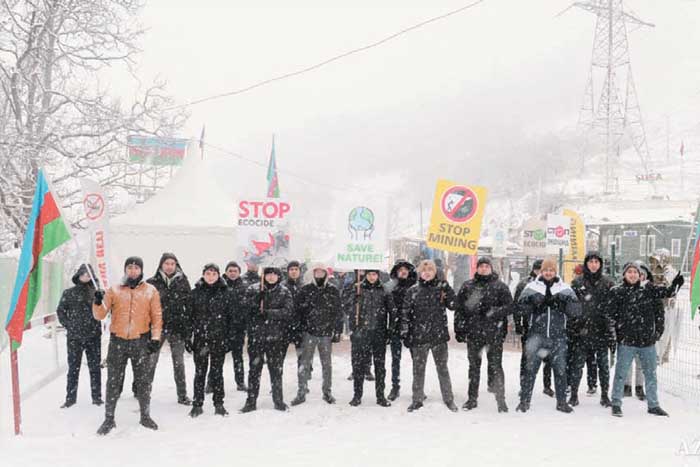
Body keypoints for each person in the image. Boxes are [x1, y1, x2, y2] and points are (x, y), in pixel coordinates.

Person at [93, 256, 162, 435]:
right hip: (118, 341)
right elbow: (100, 315)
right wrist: (97, 301)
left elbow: (157, 316)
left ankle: (145, 416)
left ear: (141, 270)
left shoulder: (150, 291)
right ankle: (109, 418)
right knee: (113, 381)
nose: (133, 271)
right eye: (130, 267)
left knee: (143, 381)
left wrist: (155, 338)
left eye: (136, 268)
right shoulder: (114, 290)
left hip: (141, 341)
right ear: (125, 270)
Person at [607, 262, 683, 417]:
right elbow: (610, 315)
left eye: (636, 272)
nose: (633, 274)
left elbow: (667, 292)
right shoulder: (617, 292)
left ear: (640, 275)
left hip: (647, 342)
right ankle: (616, 402)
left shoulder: (648, 290)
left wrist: (676, 284)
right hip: (626, 342)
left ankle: (653, 405)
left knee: (650, 374)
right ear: (624, 275)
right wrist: (616, 334)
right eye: (630, 272)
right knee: (621, 374)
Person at [516, 258, 580, 414]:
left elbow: (576, 312)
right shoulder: (531, 287)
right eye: (546, 270)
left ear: (555, 271)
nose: (548, 273)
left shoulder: (565, 288)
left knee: (560, 370)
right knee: (530, 369)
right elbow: (519, 309)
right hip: (537, 335)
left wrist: (564, 303)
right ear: (541, 271)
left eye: (551, 270)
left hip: (558, 336)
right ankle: (524, 401)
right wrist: (532, 303)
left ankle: (561, 402)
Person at [455, 257, 513, 412]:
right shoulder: (468, 286)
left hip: (494, 333)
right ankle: (472, 399)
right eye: (481, 266)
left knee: (496, 367)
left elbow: (509, 306)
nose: (484, 269)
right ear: (477, 268)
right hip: (474, 333)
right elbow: (459, 309)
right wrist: (459, 328)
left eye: (487, 266)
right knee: (474, 367)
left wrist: (494, 312)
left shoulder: (500, 286)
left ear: (491, 268)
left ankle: (501, 400)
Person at [401, 260, 458, 412]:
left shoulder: (441, 289)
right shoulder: (413, 290)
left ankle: (449, 398)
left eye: (430, 270)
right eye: (424, 270)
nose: (427, 272)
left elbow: (454, 305)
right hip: (419, 337)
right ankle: (417, 399)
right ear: (420, 272)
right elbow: (405, 313)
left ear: (435, 272)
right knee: (418, 370)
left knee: (443, 369)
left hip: (438, 336)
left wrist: (448, 290)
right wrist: (405, 332)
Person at [240, 266, 294, 413]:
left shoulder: (284, 291)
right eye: (268, 274)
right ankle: (251, 401)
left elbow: (288, 311)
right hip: (256, 336)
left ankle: (278, 400)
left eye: (274, 274)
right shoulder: (253, 289)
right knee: (254, 370)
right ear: (263, 276)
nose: (270, 277)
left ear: (278, 276)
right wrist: (257, 300)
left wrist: (269, 313)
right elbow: (244, 308)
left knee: (276, 370)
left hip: (275, 337)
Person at [291, 263, 344, 405]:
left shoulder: (332, 290)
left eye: (322, 272)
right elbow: (297, 311)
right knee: (304, 364)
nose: (319, 274)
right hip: (309, 332)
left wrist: (338, 330)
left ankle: (327, 392)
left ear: (326, 274)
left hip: (326, 333)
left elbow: (338, 312)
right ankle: (301, 392)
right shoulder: (306, 290)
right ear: (313, 273)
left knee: (327, 365)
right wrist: (298, 329)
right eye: (317, 272)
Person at [187, 263, 234, 417]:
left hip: (219, 339)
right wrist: (188, 337)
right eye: (208, 273)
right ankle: (197, 404)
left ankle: (219, 403)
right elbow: (188, 318)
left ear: (218, 275)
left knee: (217, 372)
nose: (211, 276)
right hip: (201, 339)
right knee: (199, 372)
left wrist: (229, 339)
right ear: (203, 275)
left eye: (214, 274)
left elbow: (231, 319)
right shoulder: (195, 293)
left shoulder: (226, 293)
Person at [146, 252, 192, 406]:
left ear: (176, 265)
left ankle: (182, 395)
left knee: (179, 363)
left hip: (177, 328)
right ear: (161, 265)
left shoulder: (183, 282)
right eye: (167, 263)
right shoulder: (151, 283)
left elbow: (189, 307)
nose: (169, 266)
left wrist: (187, 331)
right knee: (151, 362)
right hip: (157, 328)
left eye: (172, 264)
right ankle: (143, 392)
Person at [569, 252, 615, 408]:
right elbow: (572, 307)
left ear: (600, 264)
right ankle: (574, 394)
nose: (594, 264)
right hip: (582, 331)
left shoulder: (608, 283)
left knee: (603, 365)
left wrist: (610, 330)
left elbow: (611, 309)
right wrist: (574, 327)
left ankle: (604, 395)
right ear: (586, 264)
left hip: (601, 331)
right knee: (577, 365)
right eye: (591, 261)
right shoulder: (577, 283)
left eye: (596, 261)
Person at [345, 269, 394, 407]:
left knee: (380, 366)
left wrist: (389, 330)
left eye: (374, 274)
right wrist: (354, 329)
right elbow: (348, 307)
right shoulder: (358, 288)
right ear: (365, 275)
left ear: (378, 275)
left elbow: (392, 311)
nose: (372, 277)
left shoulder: (384, 290)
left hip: (379, 333)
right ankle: (357, 395)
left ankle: (380, 396)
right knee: (358, 365)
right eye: (369, 274)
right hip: (361, 333)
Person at [56, 264, 103, 408]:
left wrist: (100, 300)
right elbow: (61, 311)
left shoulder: (97, 293)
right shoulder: (68, 293)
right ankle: (70, 398)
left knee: (95, 368)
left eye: (88, 274)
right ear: (78, 275)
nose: (85, 277)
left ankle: (97, 397)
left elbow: (103, 311)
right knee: (73, 368)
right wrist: (69, 325)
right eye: (83, 274)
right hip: (74, 337)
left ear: (92, 277)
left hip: (93, 335)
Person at [514, 260, 554, 397]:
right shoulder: (526, 284)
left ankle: (547, 385)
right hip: (529, 327)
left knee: (547, 358)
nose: (539, 272)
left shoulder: (552, 284)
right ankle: (524, 385)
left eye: (541, 269)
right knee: (526, 358)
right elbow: (517, 305)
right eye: (537, 270)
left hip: (547, 328)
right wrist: (518, 324)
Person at [384, 259, 417, 401]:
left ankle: (418, 387)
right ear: (396, 272)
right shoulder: (390, 288)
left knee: (417, 360)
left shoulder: (416, 286)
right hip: (395, 327)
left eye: (405, 269)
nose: (403, 271)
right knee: (395, 360)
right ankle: (395, 387)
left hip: (413, 328)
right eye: (400, 269)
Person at [223, 261, 249, 392]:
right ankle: (211, 382)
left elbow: (247, 307)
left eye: (235, 271)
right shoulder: (220, 285)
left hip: (238, 328)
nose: (232, 273)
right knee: (218, 357)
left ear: (239, 273)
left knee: (238, 357)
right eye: (230, 271)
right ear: (226, 272)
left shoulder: (244, 287)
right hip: (222, 328)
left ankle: (240, 382)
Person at [283, 260, 306, 384]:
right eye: (291, 269)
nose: (293, 271)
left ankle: (302, 384)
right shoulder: (282, 286)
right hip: (284, 327)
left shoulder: (305, 286)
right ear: (288, 272)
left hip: (300, 327)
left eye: (296, 269)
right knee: (278, 359)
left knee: (302, 359)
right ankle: (276, 384)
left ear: (300, 271)